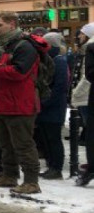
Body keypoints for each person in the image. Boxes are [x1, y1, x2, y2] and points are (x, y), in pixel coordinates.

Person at [0, 11, 41, 195]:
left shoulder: (25, 46)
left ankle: (31, 181)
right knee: (5, 145)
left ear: (12, 24)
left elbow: (19, 72)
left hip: (20, 105)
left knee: (23, 145)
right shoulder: (1, 46)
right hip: (1, 103)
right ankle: (9, 175)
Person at [35, 32, 69, 180]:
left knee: (54, 139)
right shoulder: (49, 60)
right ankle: (51, 166)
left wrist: (45, 102)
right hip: (45, 107)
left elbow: (60, 86)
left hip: (53, 107)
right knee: (46, 139)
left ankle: (56, 168)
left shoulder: (59, 61)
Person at [76, 23, 94, 186]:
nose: (79, 36)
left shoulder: (91, 47)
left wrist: (75, 94)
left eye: (82, 33)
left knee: (91, 134)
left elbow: (88, 74)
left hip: (88, 96)